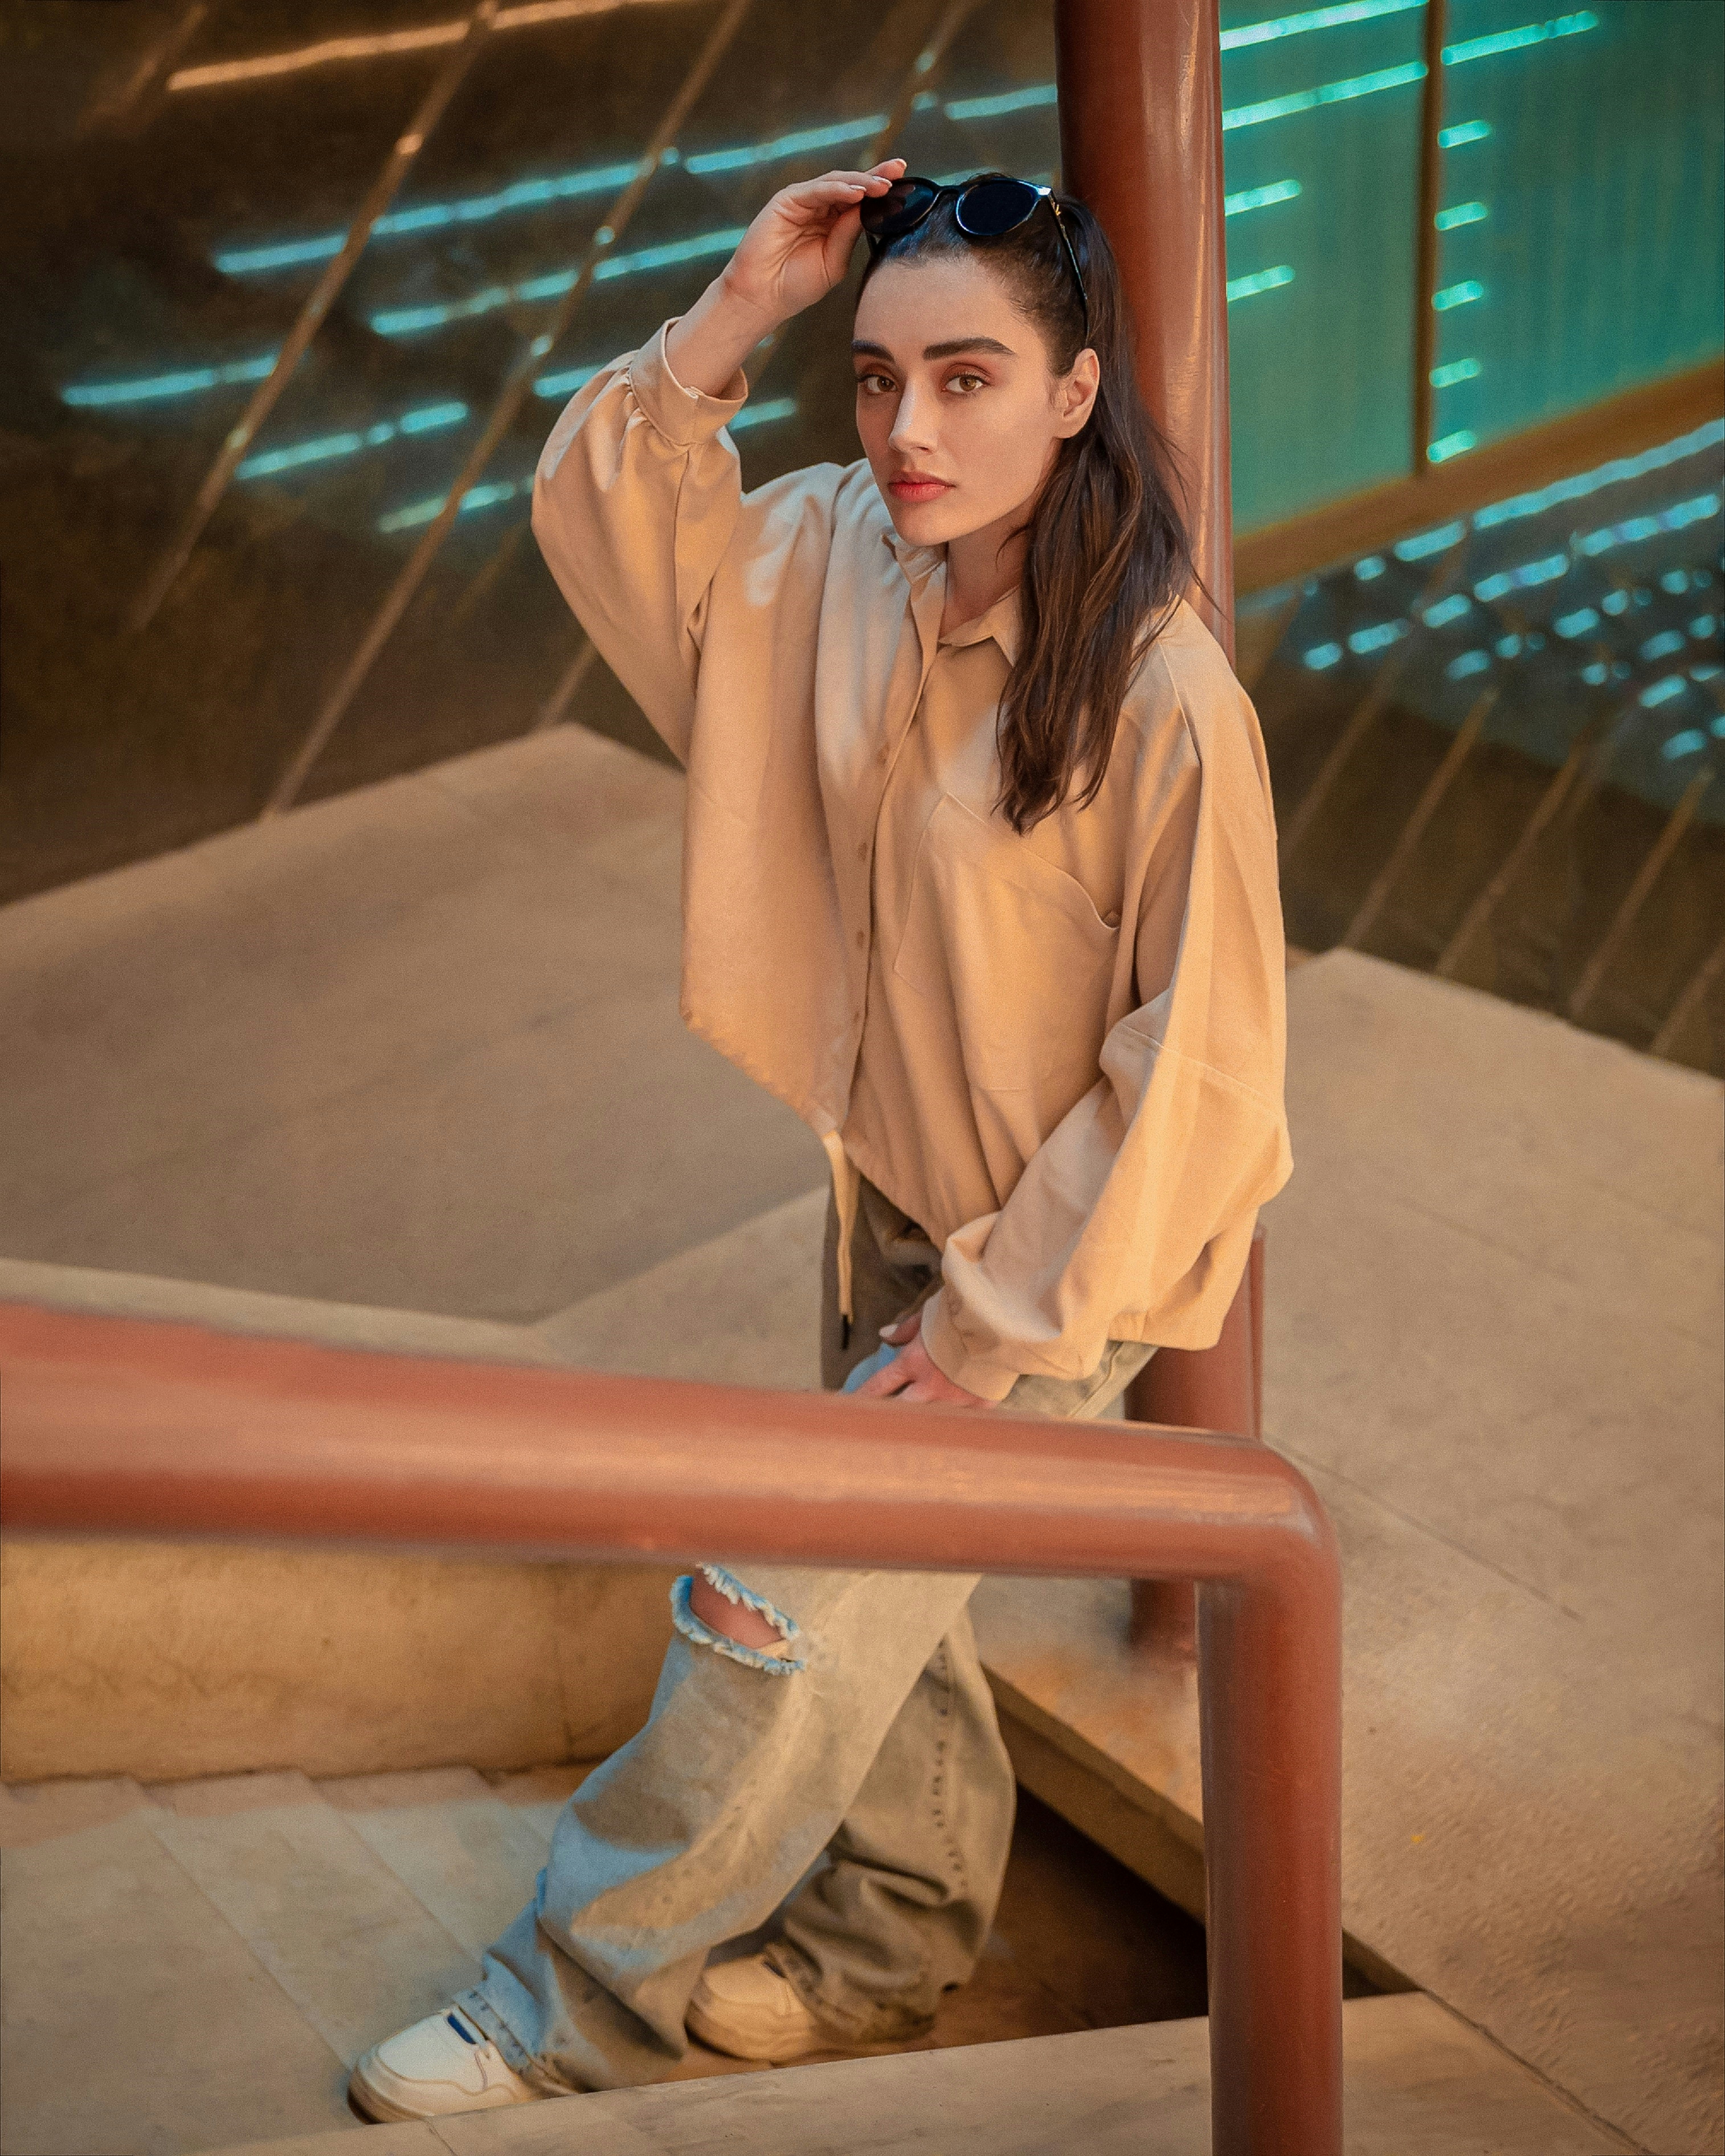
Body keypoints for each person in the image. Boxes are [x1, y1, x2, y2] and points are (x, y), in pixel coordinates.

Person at [349, 157, 1291, 2123]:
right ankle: (887, 1952)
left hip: (1050, 1267)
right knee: (897, 1616)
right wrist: (737, 313)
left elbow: (1196, 1080)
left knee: (771, 1598)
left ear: (1074, 389)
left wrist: (970, 1344)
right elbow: (610, 527)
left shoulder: (1161, 693)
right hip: (882, 1189)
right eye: (875, 381)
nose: (909, 430)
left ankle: (566, 2003)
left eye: (966, 378)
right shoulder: (830, 554)